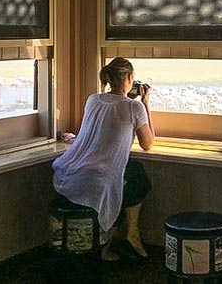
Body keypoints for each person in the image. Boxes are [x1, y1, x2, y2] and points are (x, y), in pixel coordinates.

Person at [52, 57, 155, 261]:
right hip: (98, 178)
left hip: (70, 171)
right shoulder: (133, 107)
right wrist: (145, 104)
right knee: (136, 182)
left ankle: (120, 239)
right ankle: (123, 238)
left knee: (133, 172)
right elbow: (148, 143)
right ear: (130, 78)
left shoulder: (93, 99)